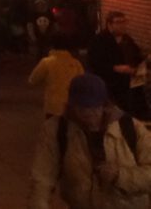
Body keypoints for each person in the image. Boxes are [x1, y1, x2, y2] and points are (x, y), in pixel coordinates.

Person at [29, 73, 151, 209]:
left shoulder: (131, 128)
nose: (87, 113)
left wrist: (120, 175)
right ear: (71, 105)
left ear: (105, 105)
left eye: (93, 107)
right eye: (81, 107)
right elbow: (42, 178)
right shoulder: (58, 130)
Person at [89, 11, 145, 116]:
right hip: (111, 86)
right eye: (119, 22)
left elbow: (137, 55)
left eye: (124, 22)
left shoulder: (127, 39)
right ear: (109, 24)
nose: (123, 25)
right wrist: (115, 68)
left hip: (131, 83)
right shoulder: (99, 41)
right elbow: (95, 63)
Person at [30, 35, 85, 119]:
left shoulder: (47, 62)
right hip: (70, 105)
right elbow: (82, 82)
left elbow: (33, 80)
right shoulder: (76, 63)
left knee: (52, 129)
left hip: (52, 106)